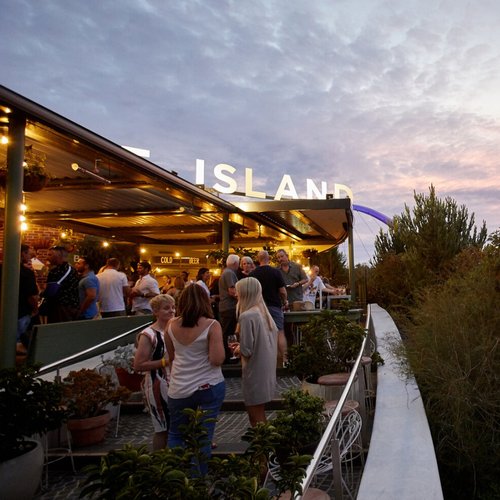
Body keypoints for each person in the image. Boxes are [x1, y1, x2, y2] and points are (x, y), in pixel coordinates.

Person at [164, 284, 225, 474]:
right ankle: (199, 478)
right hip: (208, 384)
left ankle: (176, 478)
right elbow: (216, 359)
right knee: (204, 436)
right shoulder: (212, 325)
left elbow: (171, 355)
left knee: (176, 434)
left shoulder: (171, 325)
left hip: (179, 385)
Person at [233, 277, 278, 426]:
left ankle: (264, 447)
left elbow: (246, 350)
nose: (235, 294)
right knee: (260, 413)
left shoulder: (247, 316)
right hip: (266, 369)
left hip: (254, 371)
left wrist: (237, 349)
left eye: (238, 291)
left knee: (255, 416)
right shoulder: (263, 313)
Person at [134, 294, 175, 450]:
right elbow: (138, 365)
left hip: (177, 382)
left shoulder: (175, 330)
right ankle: (160, 464)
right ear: (155, 311)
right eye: (166, 308)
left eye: (173, 307)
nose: (171, 311)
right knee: (162, 427)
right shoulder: (149, 335)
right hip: (158, 384)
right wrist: (165, 361)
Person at [249, 250, 288, 363]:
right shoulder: (275, 272)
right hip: (274, 306)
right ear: (268, 259)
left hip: (258, 308)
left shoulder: (253, 274)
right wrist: (285, 301)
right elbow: (283, 291)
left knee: (260, 334)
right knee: (280, 332)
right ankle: (285, 360)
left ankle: (262, 360)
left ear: (258, 260)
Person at [41, 245, 79, 323]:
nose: (47, 257)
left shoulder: (56, 271)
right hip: (72, 306)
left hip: (60, 307)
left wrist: (41, 294)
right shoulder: (73, 269)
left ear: (58, 256)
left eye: (50, 255)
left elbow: (51, 291)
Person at [218, 254, 240, 362]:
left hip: (225, 307)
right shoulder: (229, 273)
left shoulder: (225, 272)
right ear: (235, 263)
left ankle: (227, 355)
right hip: (229, 307)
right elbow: (232, 291)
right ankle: (228, 356)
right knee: (228, 333)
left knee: (227, 332)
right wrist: (242, 298)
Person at [17, 244, 39, 348]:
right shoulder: (27, 273)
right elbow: (32, 296)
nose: (30, 257)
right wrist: (35, 310)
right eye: (29, 254)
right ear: (23, 253)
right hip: (22, 312)